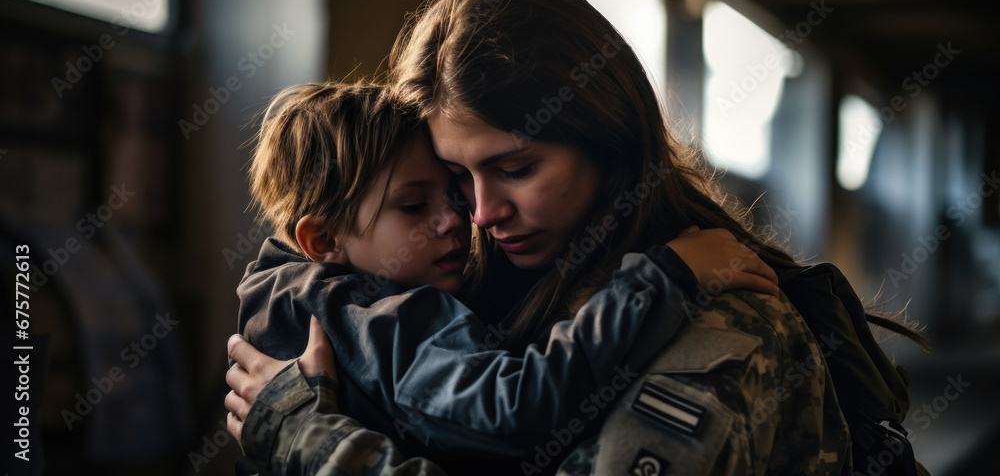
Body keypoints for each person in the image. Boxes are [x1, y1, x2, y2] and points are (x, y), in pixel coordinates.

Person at [227, 0, 928, 475]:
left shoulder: (719, 323)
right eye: (454, 179)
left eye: (515, 168)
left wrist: (305, 438)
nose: (478, 212)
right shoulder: (453, 286)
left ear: (606, 137)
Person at [229, 79, 779, 472]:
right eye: (413, 206)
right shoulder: (375, 315)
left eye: (452, 194)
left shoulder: (280, 296)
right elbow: (516, 405)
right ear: (321, 241)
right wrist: (663, 279)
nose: (463, 219)